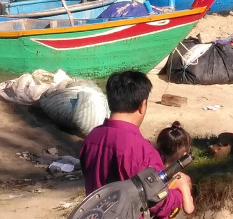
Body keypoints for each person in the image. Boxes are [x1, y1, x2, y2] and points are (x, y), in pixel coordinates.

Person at [80, 71, 194, 218]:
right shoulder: (142, 151)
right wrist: (179, 193)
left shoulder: (91, 139)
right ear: (142, 105)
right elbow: (159, 204)